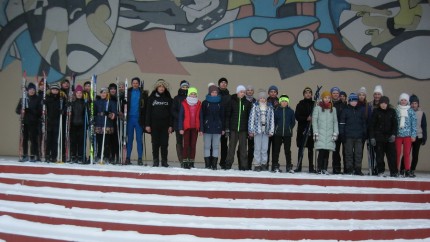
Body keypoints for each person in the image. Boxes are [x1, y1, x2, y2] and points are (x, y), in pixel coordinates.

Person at [146, 79, 173, 167]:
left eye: (163, 86)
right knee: (155, 143)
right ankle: (155, 161)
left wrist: (170, 125)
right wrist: (147, 124)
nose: (161, 88)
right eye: (160, 86)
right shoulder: (151, 98)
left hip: (165, 125)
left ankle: (164, 161)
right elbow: (148, 112)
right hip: (154, 125)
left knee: (164, 144)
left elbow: (171, 113)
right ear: (156, 87)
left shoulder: (168, 99)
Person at [369, 96, 398, 177]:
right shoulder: (376, 111)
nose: (383, 105)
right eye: (381, 103)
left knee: (392, 156)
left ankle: (394, 172)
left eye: (385, 103)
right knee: (379, 156)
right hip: (379, 138)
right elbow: (372, 125)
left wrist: (393, 134)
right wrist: (372, 137)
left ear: (387, 103)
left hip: (390, 138)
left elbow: (395, 125)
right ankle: (380, 171)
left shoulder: (392, 111)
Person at [224, 85, 252, 170]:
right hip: (233, 129)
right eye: (241, 92)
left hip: (243, 130)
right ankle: (228, 164)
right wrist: (227, 128)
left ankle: (244, 166)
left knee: (243, 149)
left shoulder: (247, 103)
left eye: (244, 92)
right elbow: (228, 116)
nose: (242, 93)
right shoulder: (232, 101)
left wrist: (249, 130)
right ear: (237, 92)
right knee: (231, 148)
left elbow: (249, 117)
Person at [339, 93, 367, 175]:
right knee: (348, 153)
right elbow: (342, 124)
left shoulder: (360, 110)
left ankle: (358, 169)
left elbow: (363, 123)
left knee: (358, 153)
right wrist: (342, 134)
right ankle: (349, 169)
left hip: (359, 136)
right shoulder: (345, 110)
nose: (354, 102)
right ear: (349, 101)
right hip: (348, 136)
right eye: (352, 101)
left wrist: (364, 133)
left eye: (355, 101)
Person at [312, 91, 339, 175]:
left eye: (328, 98)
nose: (327, 99)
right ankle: (319, 168)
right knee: (321, 151)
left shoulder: (333, 109)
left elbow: (335, 122)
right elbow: (314, 121)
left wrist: (335, 132)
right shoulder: (318, 108)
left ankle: (325, 168)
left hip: (329, 133)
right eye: (325, 98)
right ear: (322, 98)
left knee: (327, 152)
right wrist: (315, 132)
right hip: (321, 133)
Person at [248, 89, 275, 172]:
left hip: (266, 132)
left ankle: (264, 164)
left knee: (264, 149)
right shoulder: (255, 108)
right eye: (261, 98)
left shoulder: (269, 108)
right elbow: (251, 119)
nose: (262, 99)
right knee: (257, 148)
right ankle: (257, 164)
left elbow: (271, 120)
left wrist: (271, 131)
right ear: (258, 99)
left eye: (264, 98)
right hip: (257, 131)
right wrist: (251, 130)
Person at [16, 82, 42, 162]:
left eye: (33, 89)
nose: (32, 91)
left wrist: (30, 110)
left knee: (33, 139)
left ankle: (34, 155)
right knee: (25, 139)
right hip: (25, 122)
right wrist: (22, 111)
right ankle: (25, 154)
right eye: (30, 89)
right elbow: (17, 110)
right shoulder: (23, 99)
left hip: (34, 122)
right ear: (27, 90)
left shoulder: (37, 99)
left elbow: (39, 112)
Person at [201, 84, 224, 170]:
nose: (214, 93)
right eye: (213, 92)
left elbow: (222, 116)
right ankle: (207, 165)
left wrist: (223, 128)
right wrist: (202, 128)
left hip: (217, 128)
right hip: (207, 128)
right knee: (207, 146)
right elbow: (202, 116)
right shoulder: (205, 103)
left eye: (216, 92)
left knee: (216, 146)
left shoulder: (220, 103)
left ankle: (214, 165)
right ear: (209, 93)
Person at [125, 77, 148, 165]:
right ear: (131, 84)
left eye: (136, 83)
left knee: (139, 139)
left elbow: (145, 107)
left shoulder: (143, 93)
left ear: (139, 84)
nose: (135, 84)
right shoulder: (128, 93)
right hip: (130, 119)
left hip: (139, 119)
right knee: (129, 139)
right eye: (133, 83)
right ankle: (127, 157)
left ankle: (139, 158)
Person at [178, 87, 202, 169]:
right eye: (191, 93)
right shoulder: (184, 103)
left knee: (193, 145)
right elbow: (181, 116)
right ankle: (185, 161)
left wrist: (201, 129)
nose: (193, 95)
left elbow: (200, 117)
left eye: (194, 94)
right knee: (186, 144)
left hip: (195, 127)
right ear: (188, 94)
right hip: (186, 127)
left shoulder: (199, 103)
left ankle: (191, 161)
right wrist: (180, 128)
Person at [272, 95, 295, 173]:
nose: (284, 103)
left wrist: (289, 128)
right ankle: (275, 166)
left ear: (287, 102)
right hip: (278, 133)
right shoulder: (276, 111)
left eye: (285, 101)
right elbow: (274, 121)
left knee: (287, 150)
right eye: (282, 101)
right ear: (280, 102)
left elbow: (293, 122)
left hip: (287, 134)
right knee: (276, 150)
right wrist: (276, 128)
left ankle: (289, 166)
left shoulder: (291, 111)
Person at [395, 93, 417, 177]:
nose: (403, 101)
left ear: (407, 101)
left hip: (408, 135)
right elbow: (394, 123)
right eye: (402, 100)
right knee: (397, 153)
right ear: (399, 100)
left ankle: (407, 170)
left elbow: (414, 123)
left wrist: (413, 135)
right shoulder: (396, 110)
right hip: (398, 135)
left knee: (407, 153)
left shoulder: (410, 111)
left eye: (405, 100)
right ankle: (395, 169)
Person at [295, 87, 315, 173]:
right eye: (306, 93)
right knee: (301, 148)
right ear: (303, 94)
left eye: (309, 93)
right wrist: (306, 118)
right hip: (302, 129)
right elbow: (297, 116)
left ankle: (311, 167)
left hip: (312, 129)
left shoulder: (315, 104)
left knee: (311, 149)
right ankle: (299, 166)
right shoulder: (300, 104)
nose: (308, 94)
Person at [94, 88, 117, 163]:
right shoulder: (97, 102)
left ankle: (106, 156)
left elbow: (114, 114)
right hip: (99, 123)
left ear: (107, 94)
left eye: (105, 93)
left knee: (106, 142)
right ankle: (99, 155)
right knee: (99, 141)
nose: (103, 94)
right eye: (102, 93)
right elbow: (94, 112)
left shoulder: (111, 102)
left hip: (107, 124)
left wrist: (109, 114)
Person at [44, 83, 66, 163]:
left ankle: (54, 156)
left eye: (56, 90)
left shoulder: (61, 99)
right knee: (49, 139)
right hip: (49, 121)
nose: (55, 91)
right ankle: (47, 155)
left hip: (57, 122)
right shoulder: (47, 98)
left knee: (55, 140)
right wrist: (43, 103)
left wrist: (63, 110)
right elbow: (43, 108)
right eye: (53, 89)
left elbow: (65, 107)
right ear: (51, 90)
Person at [172, 80, 190, 167]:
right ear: (180, 87)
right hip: (178, 124)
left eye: (187, 87)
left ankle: (188, 159)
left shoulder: (191, 98)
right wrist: (181, 117)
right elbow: (173, 110)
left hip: (189, 124)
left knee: (188, 142)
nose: (185, 88)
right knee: (179, 142)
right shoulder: (176, 98)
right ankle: (182, 160)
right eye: (183, 87)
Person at [408, 94, 427, 176]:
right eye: (412, 103)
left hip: (418, 136)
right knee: (406, 153)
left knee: (415, 155)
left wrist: (424, 137)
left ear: (418, 104)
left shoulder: (422, 113)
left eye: (415, 103)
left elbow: (424, 126)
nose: (414, 105)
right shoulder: (407, 112)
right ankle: (403, 169)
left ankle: (412, 170)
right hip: (408, 136)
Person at [238, 85, 256, 170]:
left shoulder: (256, 101)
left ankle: (248, 165)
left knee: (251, 147)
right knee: (241, 147)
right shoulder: (242, 100)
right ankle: (241, 164)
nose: (249, 91)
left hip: (252, 128)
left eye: (251, 90)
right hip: (243, 128)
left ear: (253, 92)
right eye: (248, 90)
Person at [331, 86, 346, 174]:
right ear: (331, 94)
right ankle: (336, 168)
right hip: (332, 130)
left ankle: (346, 168)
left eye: (337, 93)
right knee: (335, 151)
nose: (335, 94)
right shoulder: (329, 104)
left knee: (345, 151)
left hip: (342, 130)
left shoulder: (343, 105)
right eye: (334, 93)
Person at [70, 85, 86, 163]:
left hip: (81, 124)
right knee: (73, 141)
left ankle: (80, 156)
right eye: (78, 93)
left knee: (80, 141)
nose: (79, 94)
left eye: (80, 93)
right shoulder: (73, 103)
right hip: (73, 124)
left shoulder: (84, 103)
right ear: (75, 94)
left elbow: (86, 114)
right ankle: (73, 155)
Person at [218, 77, 230, 169]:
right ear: (219, 84)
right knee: (212, 144)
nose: (223, 84)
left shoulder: (229, 96)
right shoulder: (214, 94)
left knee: (224, 145)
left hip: (225, 123)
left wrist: (227, 125)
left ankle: (223, 162)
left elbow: (229, 111)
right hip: (215, 123)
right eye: (222, 82)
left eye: (225, 82)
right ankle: (211, 162)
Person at [266, 85, 279, 170]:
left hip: (277, 129)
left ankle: (274, 165)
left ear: (277, 93)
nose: (273, 93)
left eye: (274, 92)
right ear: (268, 93)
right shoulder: (265, 101)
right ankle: (265, 164)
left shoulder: (280, 102)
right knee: (266, 148)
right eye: (271, 91)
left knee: (276, 148)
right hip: (267, 129)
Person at [108, 83, 119, 164]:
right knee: (110, 140)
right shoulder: (107, 98)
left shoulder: (118, 98)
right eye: (111, 89)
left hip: (117, 121)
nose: (113, 90)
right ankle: (110, 156)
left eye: (114, 89)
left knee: (116, 139)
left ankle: (117, 156)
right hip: (109, 121)